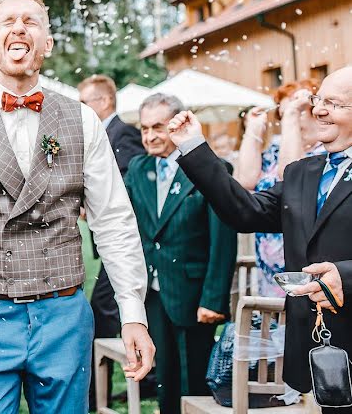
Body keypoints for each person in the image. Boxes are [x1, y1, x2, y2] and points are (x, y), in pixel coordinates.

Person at [0, 0, 153, 414]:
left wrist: (132, 311)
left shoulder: (82, 121)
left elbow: (114, 221)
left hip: (63, 315)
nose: (19, 29)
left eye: (31, 22)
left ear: (47, 41)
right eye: (8, 21)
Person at [167, 66, 352, 402]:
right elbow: (244, 211)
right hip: (312, 351)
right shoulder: (301, 172)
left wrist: (348, 276)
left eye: (334, 104)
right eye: (318, 100)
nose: (319, 110)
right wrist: (194, 147)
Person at [127, 93, 236, 414]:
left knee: (196, 380)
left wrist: (213, 299)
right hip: (154, 291)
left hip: (194, 292)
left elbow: (223, 239)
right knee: (166, 378)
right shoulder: (137, 167)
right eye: (144, 128)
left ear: (177, 124)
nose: (149, 136)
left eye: (158, 127)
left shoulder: (211, 169)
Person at [78, 73, 147, 407]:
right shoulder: (102, 134)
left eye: (84, 102)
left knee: (102, 311)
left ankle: (95, 392)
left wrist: (91, 199)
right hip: (106, 246)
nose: (79, 110)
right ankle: (98, 389)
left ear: (103, 102)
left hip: (127, 244)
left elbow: (126, 187)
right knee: (103, 312)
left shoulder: (125, 135)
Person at [234, 79, 324, 297]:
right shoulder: (276, 150)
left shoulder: (325, 152)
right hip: (270, 266)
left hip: (305, 263)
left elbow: (290, 174)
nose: (288, 121)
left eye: (297, 111)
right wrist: (253, 130)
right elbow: (245, 180)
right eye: (283, 115)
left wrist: (291, 113)